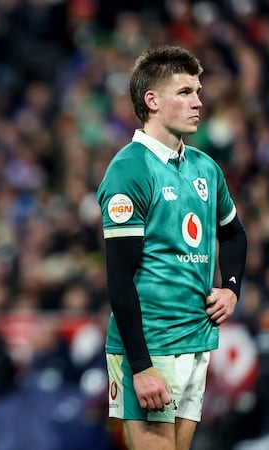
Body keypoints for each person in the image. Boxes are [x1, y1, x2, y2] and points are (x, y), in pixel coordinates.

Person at [96, 45, 248, 450]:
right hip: (152, 346)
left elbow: (234, 235)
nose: (198, 101)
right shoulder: (130, 170)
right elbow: (119, 278)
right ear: (153, 101)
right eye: (184, 92)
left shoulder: (206, 168)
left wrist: (231, 287)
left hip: (196, 340)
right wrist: (141, 367)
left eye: (198, 91)